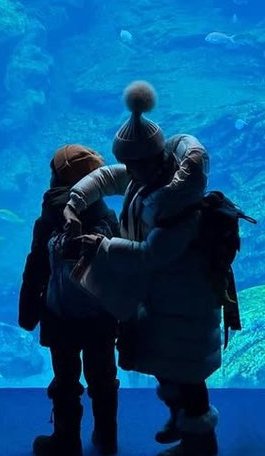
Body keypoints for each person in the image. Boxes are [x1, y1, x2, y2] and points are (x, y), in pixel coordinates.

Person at [64, 81, 222, 456]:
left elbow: (153, 254)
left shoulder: (177, 204)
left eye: (132, 163)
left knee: (187, 371)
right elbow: (107, 177)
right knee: (168, 366)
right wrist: (75, 199)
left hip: (186, 301)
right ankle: (180, 418)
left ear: (151, 159)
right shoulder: (148, 179)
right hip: (160, 298)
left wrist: (101, 246)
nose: (127, 170)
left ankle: (201, 442)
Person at [19, 144, 121, 456]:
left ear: (58, 178)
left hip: (59, 313)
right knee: (103, 376)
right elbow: (121, 266)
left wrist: (28, 311)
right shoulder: (105, 214)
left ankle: (66, 439)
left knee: (65, 379)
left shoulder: (50, 215)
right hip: (100, 314)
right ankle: (106, 435)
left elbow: (36, 265)